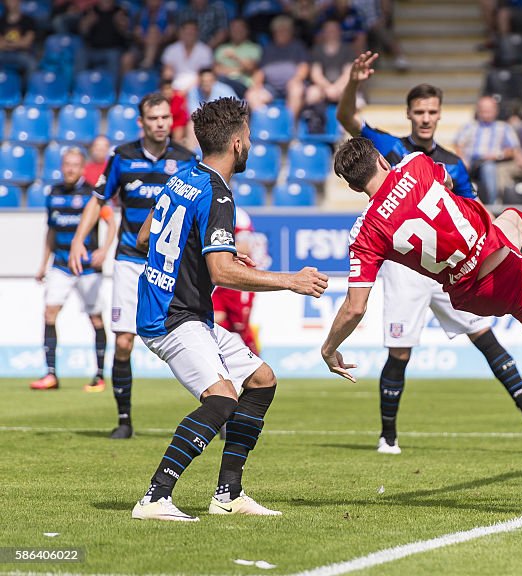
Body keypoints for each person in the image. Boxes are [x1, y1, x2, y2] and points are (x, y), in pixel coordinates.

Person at [324, 138, 522, 498]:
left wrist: (329, 348)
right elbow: (446, 183)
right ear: (383, 160)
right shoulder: (415, 165)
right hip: (501, 264)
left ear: (353, 186)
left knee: (515, 220)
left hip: (472, 295)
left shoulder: (364, 233)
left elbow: (355, 307)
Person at [131, 97, 328, 521]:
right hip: (173, 317)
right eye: (251, 137)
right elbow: (220, 273)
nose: (252, 144)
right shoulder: (219, 194)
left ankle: (228, 494)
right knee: (221, 400)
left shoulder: (181, 177)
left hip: (174, 308)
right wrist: (290, 281)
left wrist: (213, 257)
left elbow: (145, 238)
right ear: (237, 142)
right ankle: (155, 497)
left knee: (260, 380)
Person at [336, 51, 522, 454]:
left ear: (439, 115)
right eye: (419, 111)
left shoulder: (454, 164)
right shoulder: (390, 148)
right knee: (401, 351)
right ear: (409, 114)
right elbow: (347, 119)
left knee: (485, 337)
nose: (426, 117)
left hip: (454, 266)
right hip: (407, 267)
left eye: (432, 111)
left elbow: (474, 212)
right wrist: (354, 82)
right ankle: (387, 435)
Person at [68, 93, 199, 440]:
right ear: (141, 123)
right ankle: (124, 419)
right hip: (129, 258)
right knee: (124, 341)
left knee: (192, 335)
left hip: (172, 262)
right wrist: (80, 238)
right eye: (153, 118)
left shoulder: (187, 161)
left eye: (165, 118)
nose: (160, 124)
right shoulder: (122, 158)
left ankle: (214, 408)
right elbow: (98, 202)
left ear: (172, 121)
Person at [30, 148, 117, 392]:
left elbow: (111, 224)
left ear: (82, 168)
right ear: (62, 166)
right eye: (66, 164)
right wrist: (43, 263)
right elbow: (51, 231)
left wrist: (104, 251)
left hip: (88, 267)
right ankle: (50, 374)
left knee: (96, 318)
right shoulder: (54, 193)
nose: (70, 169)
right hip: (60, 265)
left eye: (75, 165)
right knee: (49, 313)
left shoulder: (92, 193)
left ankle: (99, 376)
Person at [212, 207, 268, 355]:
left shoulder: (239, 215)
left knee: (240, 326)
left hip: (235, 274)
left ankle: (257, 362)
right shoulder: (212, 207)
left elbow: (244, 245)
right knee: (213, 319)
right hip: (218, 275)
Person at [454, 95, 522, 206]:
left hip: (495, 163)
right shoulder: (470, 127)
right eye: (483, 111)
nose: (486, 114)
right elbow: (458, 144)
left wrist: (497, 155)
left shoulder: (504, 127)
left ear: (496, 111)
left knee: (489, 167)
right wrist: (462, 158)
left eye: (489, 111)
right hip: (472, 163)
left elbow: (514, 149)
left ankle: (492, 204)